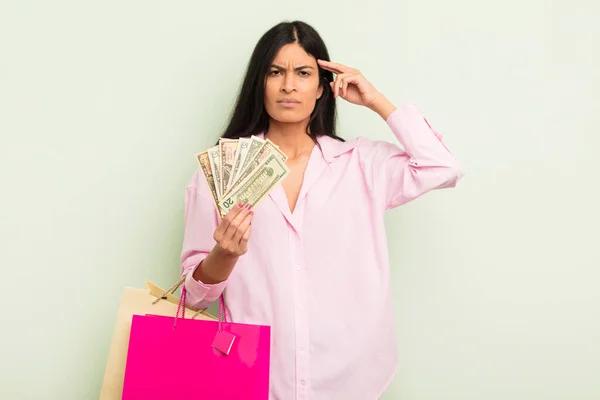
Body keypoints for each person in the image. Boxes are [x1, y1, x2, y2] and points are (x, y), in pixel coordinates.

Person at [180, 20, 463, 399]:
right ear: (258, 84)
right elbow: (195, 298)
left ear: (321, 88)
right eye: (275, 72)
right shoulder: (222, 170)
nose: (289, 85)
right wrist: (224, 254)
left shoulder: (361, 164)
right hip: (254, 376)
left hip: (350, 376)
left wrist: (376, 99)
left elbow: (443, 167)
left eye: (303, 73)